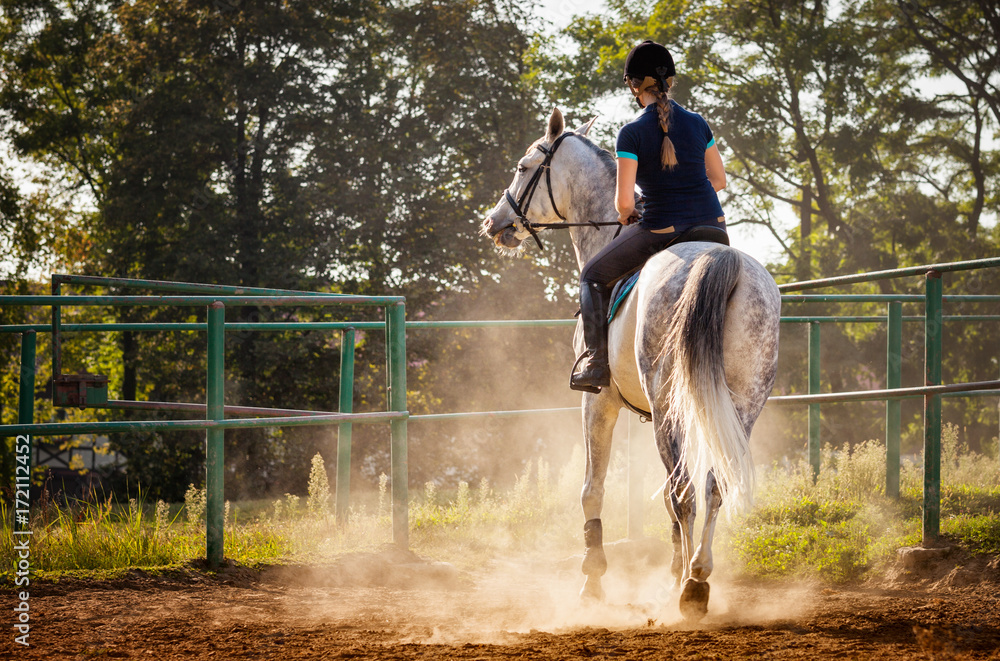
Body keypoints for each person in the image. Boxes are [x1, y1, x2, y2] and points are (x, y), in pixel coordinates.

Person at [570, 39, 730, 394]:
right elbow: (718, 180)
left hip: (663, 229)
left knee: (592, 275)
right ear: (668, 81)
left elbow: (624, 204)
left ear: (633, 85)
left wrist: (631, 214)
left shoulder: (631, 133)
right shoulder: (699, 123)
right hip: (715, 229)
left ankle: (596, 363)